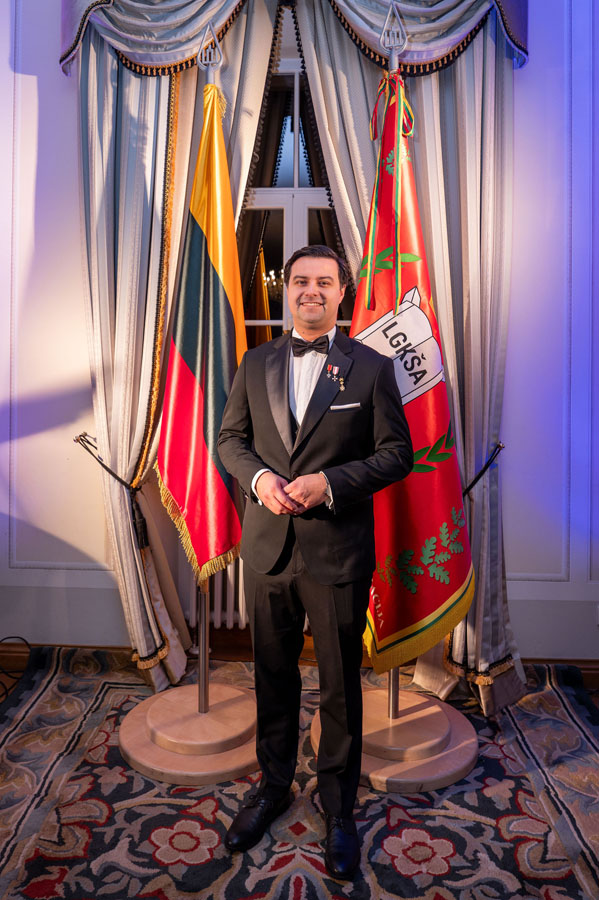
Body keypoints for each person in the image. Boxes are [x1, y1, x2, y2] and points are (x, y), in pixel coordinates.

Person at [217, 245, 413, 880]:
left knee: (339, 688)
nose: (310, 291)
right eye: (300, 280)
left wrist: (329, 483)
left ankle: (338, 807)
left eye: (323, 282)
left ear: (340, 292)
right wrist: (259, 480)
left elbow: (397, 455)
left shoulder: (373, 368)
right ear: (287, 290)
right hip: (267, 549)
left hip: (337, 552)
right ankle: (272, 787)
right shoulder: (255, 362)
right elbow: (230, 440)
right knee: (271, 676)